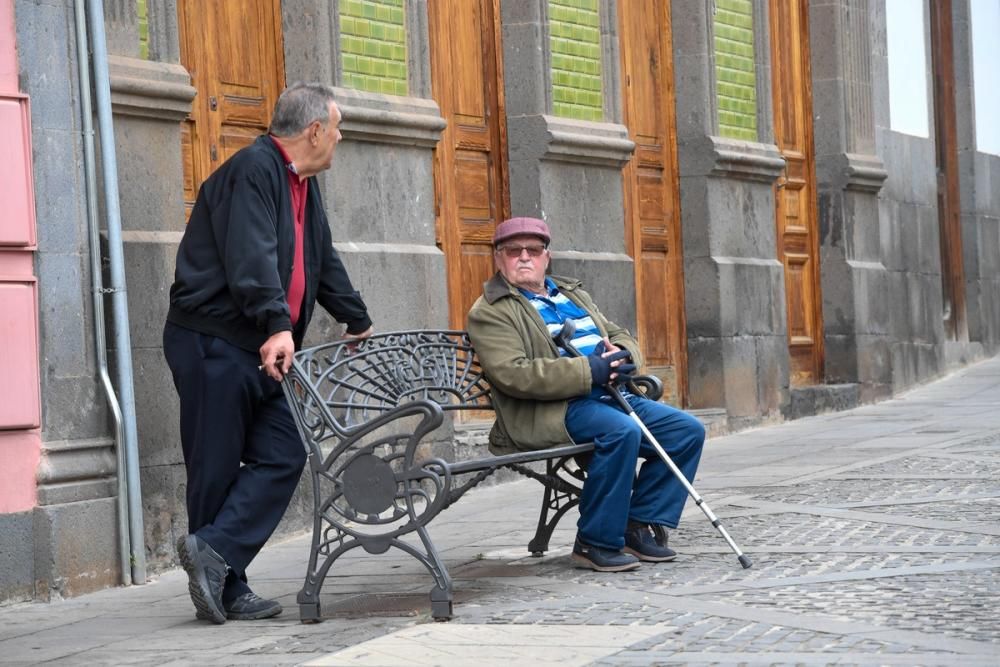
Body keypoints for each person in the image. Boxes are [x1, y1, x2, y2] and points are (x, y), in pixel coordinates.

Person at [163, 82, 373, 623]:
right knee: (214, 463)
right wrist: (277, 323)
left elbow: (319, 258)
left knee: (285, 450)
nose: (341, 136)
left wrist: (355, 314)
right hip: (216, 340)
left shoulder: (302, 183)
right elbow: (249, 255)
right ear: (314, 131)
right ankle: (228, 588)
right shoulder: (252, 171)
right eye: (338, 126)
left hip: (261, 343)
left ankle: (217, 554)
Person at [467, 217, 705, 572]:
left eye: (533, 250)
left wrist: (624, 358)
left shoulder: (572, 293)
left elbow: (619, 333)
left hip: (609, 394)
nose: (524, 258)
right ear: (499, 259)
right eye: (513, 251)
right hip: (552, 408)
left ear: (546, 256)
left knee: (686, 431)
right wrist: (588, 371)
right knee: (620, 431)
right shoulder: (491, 311)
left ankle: (634, 526)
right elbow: (512, 374)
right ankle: (594, 542)